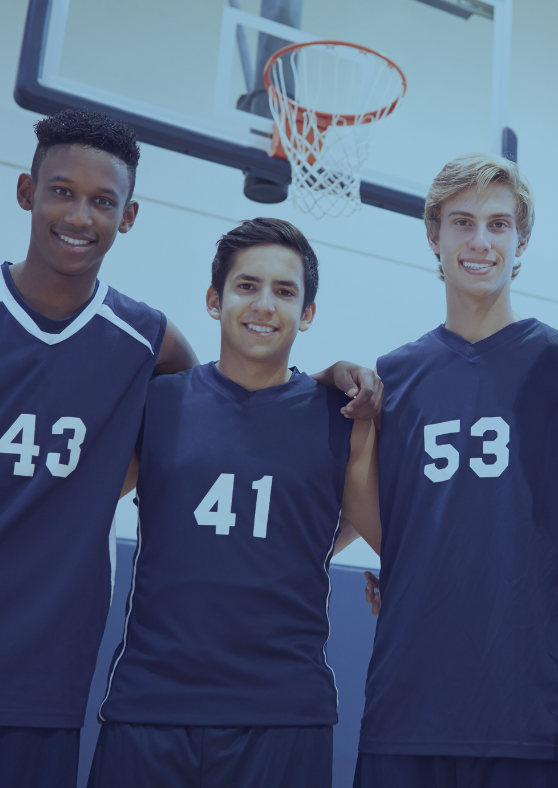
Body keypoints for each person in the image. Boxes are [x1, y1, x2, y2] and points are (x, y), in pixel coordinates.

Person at [0, 110, 379, 788]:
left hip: (259, 710)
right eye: (62, 191)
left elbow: (330, 505)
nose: (80, 214)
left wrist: (325, 382)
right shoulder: (164, 387)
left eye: (284, 291)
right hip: (149, 704)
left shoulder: (152, 349)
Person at [86, 218, 382, 788]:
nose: (265, 305)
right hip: (150, 707)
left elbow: (390, 539)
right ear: (214, 300)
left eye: (285, 291)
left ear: (309, 312)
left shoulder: (340, 417)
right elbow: (75, 507)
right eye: (247, 286)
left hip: (283, 717)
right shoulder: (156, 402)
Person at [354, 153, 558, 788]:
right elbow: (376, 517)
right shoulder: (393, 375)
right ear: (433, 235)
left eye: (498, 225)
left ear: (519, 240)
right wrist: (421, 570)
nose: (480, 241)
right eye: (462, 222)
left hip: (529, 706)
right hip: (408, 699)